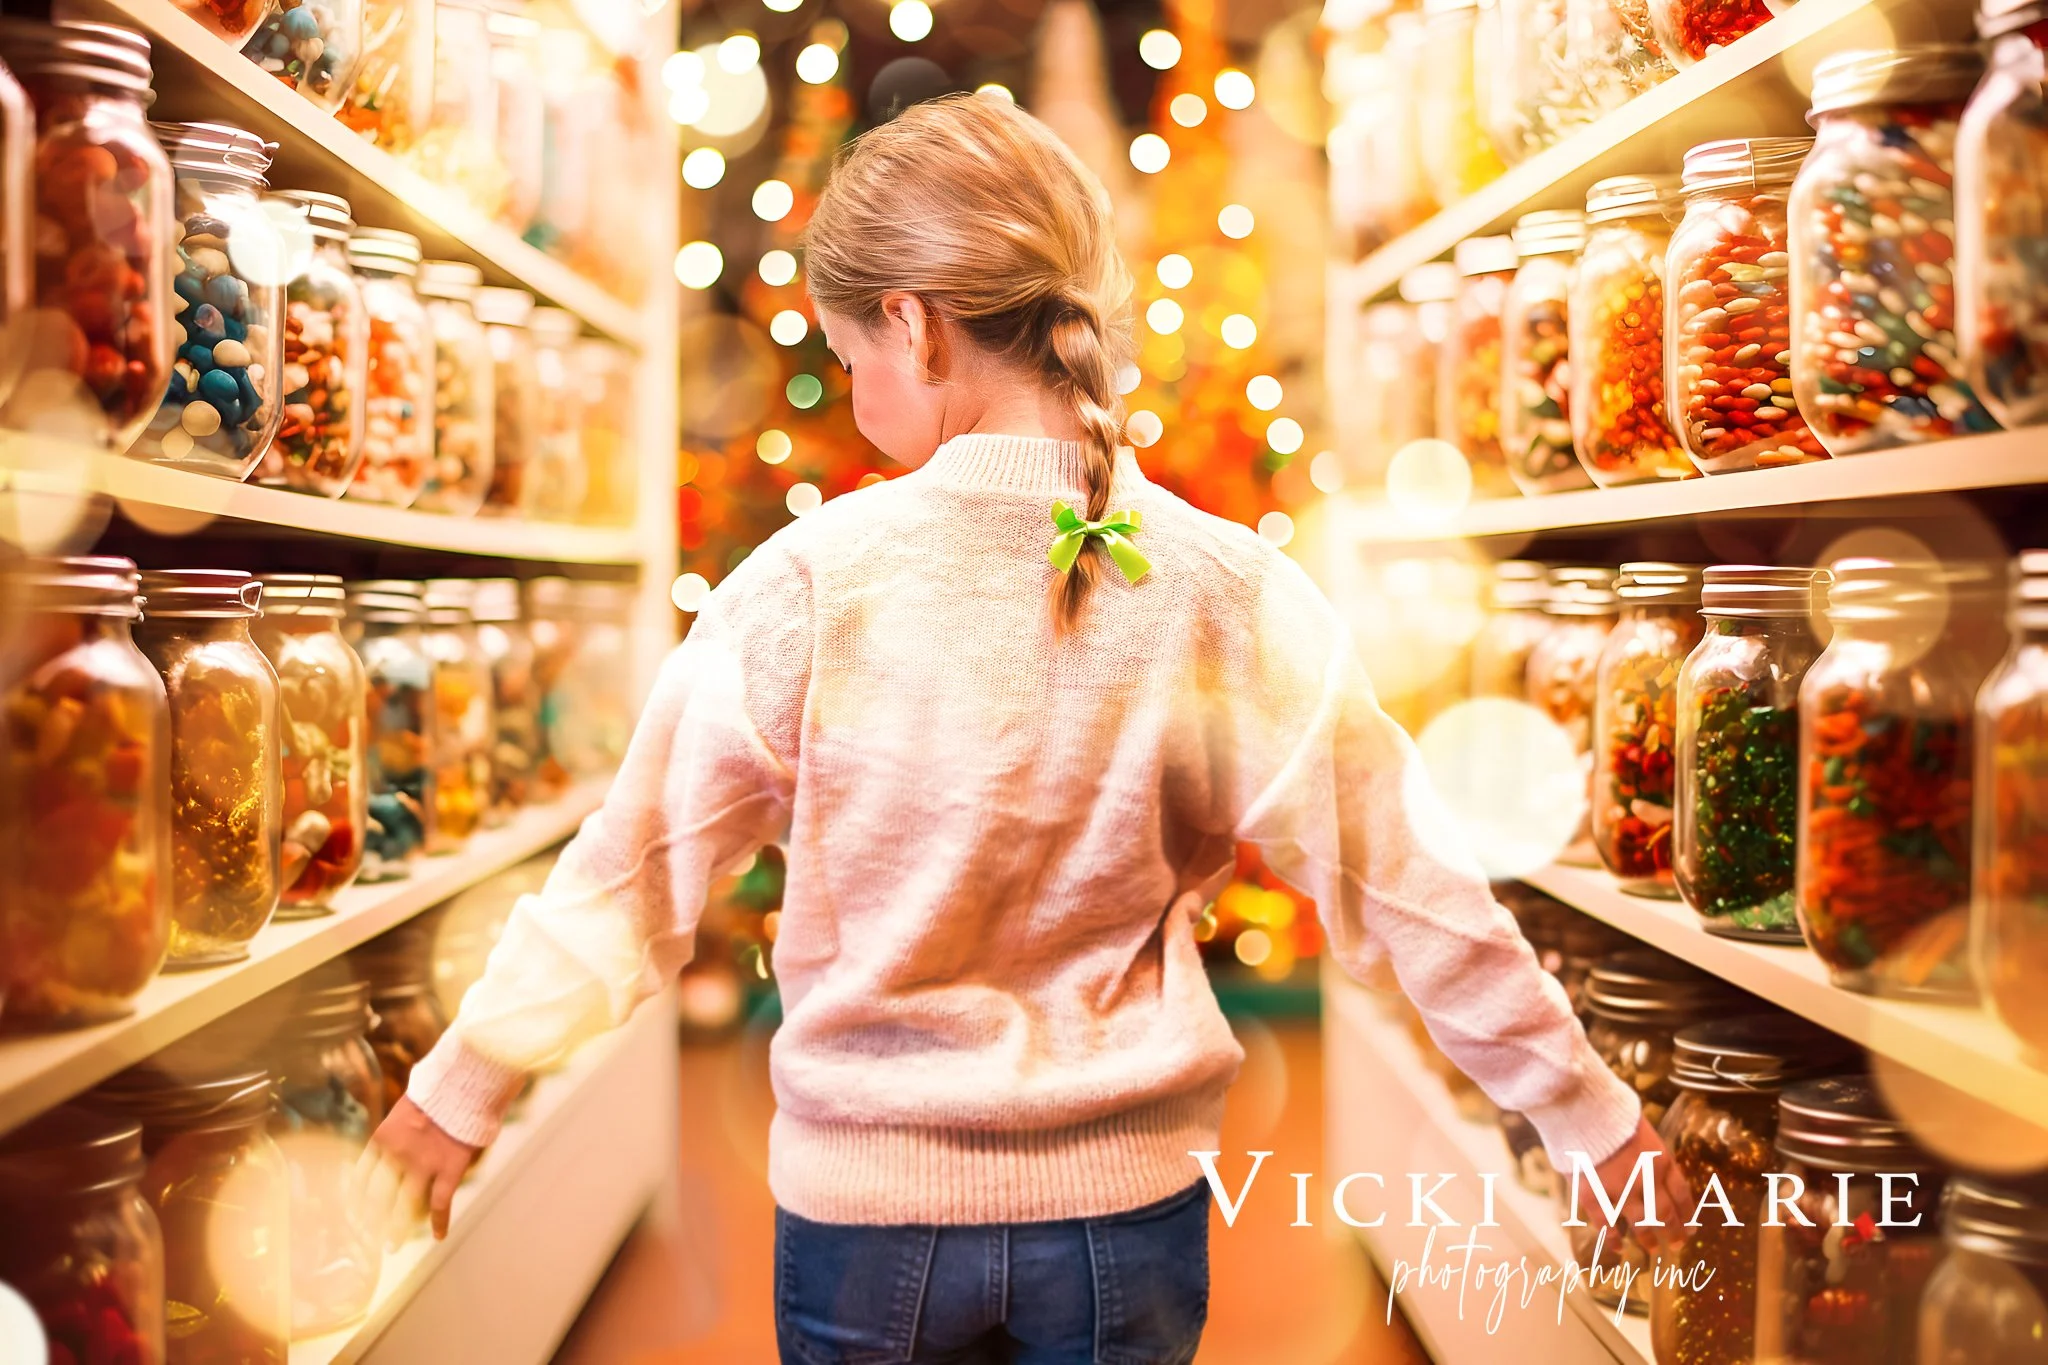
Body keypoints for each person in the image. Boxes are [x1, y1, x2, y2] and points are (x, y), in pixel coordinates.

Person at [360, 92, 1678, 1364]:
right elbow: (1412, 887)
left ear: (915, 329)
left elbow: (632, 879)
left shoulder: (812, 582)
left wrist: (455, 1092)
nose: (858, 393)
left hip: (868, 1223)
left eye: (850, 359)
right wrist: (1592, 1123)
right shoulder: (1228, 589)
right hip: (1127, 1224)